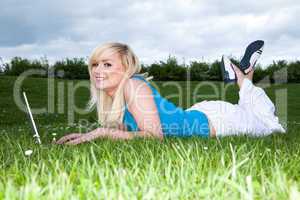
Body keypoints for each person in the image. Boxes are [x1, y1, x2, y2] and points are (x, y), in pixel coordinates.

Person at [56, 42, 285, 145]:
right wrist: (88, 135)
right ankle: (244, 76)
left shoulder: (133, 85)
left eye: (107, 64)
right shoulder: (118, 96)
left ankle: (243, 77)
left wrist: (103, 132)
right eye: (95, 64)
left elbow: (154, 137)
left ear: (126, 67)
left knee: (271, 127)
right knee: (251, 111)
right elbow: (132, 129)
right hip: (202, 115)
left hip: (222, 121)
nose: (97, 70)